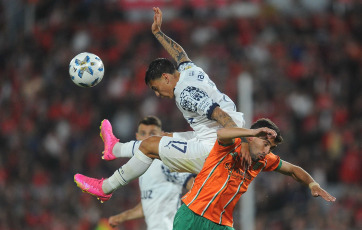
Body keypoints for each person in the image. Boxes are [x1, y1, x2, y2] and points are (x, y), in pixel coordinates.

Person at [74, 7, 250, 202]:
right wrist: (158, 33)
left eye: (156, 88)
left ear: (166, 78)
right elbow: (180, 54)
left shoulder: (184, 94)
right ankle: (115, 149)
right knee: (162, 137)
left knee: (150, 145)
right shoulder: (189, 70)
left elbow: (220, 116)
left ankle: (106, 187)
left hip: (216, 152)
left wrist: (240, 145)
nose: (158, 95)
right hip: (215, 136)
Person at [173, 118, 336, 230]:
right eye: (265, 144)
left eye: (270, 148)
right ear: (252, 137)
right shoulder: (232, 145)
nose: (266, 151)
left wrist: (313, 184)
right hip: (191, 213)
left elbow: (293, 170)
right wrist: (250, 133)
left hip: (221, 224)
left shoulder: (264, 160)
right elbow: (221, 134)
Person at [106, 116, 194, 230]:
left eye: (152, 134)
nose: (147, 138)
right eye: (143, 133)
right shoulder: (144, 168)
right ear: (137, 137)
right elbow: (148, 206)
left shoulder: (165, 163)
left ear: (161, 135)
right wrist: (122, 217)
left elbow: (194, 186)